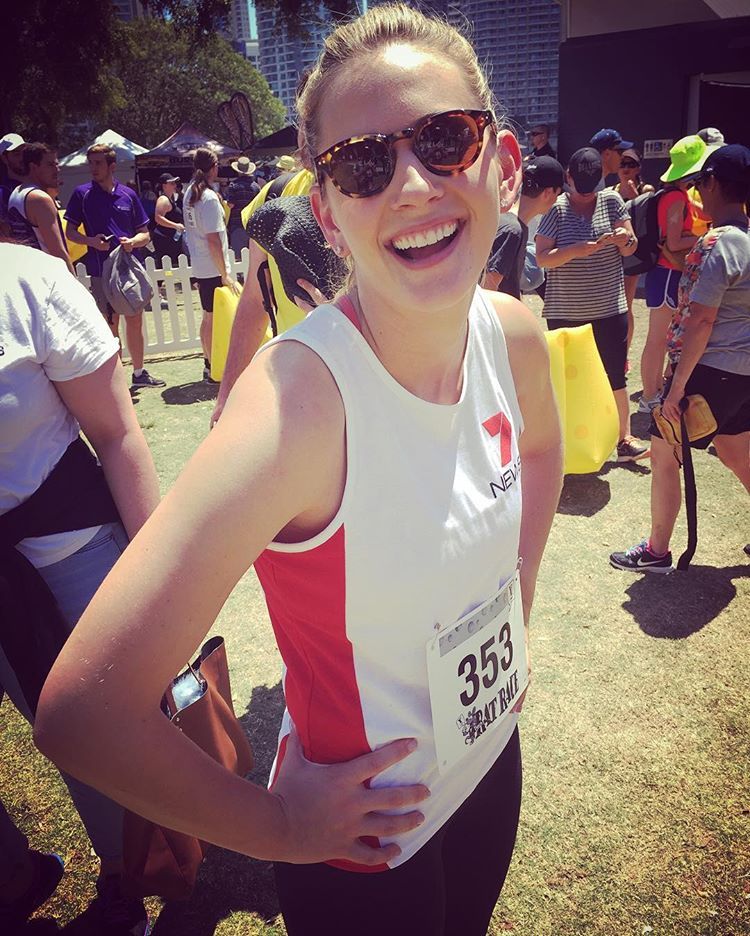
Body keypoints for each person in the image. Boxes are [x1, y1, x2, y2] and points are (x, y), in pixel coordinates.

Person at [35, 6, 563, 936]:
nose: (412, 184)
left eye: (446, 139)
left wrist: (513, 604)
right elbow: (85, 712)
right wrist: (278, 825)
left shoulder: (512, 336)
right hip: (368, 847)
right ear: (326, 212)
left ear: (504, 164)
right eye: (363, 164)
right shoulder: (297, 410)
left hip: (489, 766)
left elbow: (546, 452)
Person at [0, 243, 159, 932]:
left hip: (64, 552)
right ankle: (13, 874)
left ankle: (129, 873)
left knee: (92, 731)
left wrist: (160, 588)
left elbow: (118, 434)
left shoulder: (24, 282)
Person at [610, 144, 750, 572]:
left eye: (701, 182)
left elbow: (701, 320)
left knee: (664, 453)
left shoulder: (719, 244)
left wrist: (676, 389)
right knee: (736, 451)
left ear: (714, 183)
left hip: (710, 370)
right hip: (743, 374)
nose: (697, 192)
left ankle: (656, 550)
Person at [536, 146, 648, 461]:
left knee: (615, 375)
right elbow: (542, 257)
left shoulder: (612, 202)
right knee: (567, 381)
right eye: (580, 184)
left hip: (609, 308)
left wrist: (623, 239)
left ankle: (624, 440)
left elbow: (631, 247)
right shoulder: (557, 209)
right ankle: (564, 447)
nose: (585, 192)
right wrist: (575, 250)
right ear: (568, 177)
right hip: (566, 312)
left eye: (591, 184)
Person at [210, 163, 315, 427]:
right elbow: (255, 300)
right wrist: (227, 395)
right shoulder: (274, 194)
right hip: (292, 387)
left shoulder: (382, 191)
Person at [64, 143, 165, 389]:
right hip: (101, 271)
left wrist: (132, 242)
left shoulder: (128, 195)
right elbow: (70, 232)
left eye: (98, 163)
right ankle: (117, 382)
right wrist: (91, 241)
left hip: (129, 270)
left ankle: (139, 374)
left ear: (112, 166)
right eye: (91, 163)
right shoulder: (81, 194)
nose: (93, 168)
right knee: (111, 326)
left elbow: (145, 234)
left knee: (135, 320)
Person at [640, 135, 712, 412]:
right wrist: (705, 237)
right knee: (658, 339)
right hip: (668, 273)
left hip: (666, 273)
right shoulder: (676, 197)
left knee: (662, 339)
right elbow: (673, 242)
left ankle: (653, 392)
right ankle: (649, 396)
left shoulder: (673, 195)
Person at [182, 147, 241, 382]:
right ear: (214, 168)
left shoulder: (190, 193)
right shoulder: (207, 198)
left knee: (209, 317)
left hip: (200, 264)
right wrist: (225, 274)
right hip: (212, 266)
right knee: (214, 318)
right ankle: (213, 365)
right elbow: (214, 240)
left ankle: (209, 363)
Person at [606, 148, 655, 366]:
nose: (625, 168)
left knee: (625, 305)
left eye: (631, 164)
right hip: (612, 254)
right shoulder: (610, 191)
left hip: (633, 253)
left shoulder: (647, 190)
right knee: (611, 305)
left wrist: (635, 197)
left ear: (638, 168)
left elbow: (648, 221)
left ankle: (623, 356)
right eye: (622, 164)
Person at [6, 142, 73, 272]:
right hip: (47, 274)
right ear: (33, 167)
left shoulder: (16, 194)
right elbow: (57, 252)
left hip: (27, 271)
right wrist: (73, 281)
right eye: (50, 165)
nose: (57, 170)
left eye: (57, 164)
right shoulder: (39, 199)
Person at [225, 155, 260, 258]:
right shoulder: (256, 187)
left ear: (238, 171)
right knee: (253, 257)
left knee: (238, 257)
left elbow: (230, 205)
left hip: (237, 224)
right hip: (252, 225)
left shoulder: (233, 186)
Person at [152, 172, 185, 268]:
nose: (175, 185)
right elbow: (158, 218)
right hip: (164, 239)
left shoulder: (170, 199)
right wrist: (176, 225)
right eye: (172, 183)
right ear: (164, 185)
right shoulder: (163, 200)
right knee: (166, 267)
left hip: (171, 238)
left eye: (175, 183)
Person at [0, 133, 26, 233]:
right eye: (16, 154)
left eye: (24, 153)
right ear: (4, 158)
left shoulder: (39, 184)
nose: (22, 158)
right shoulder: (3, 192)